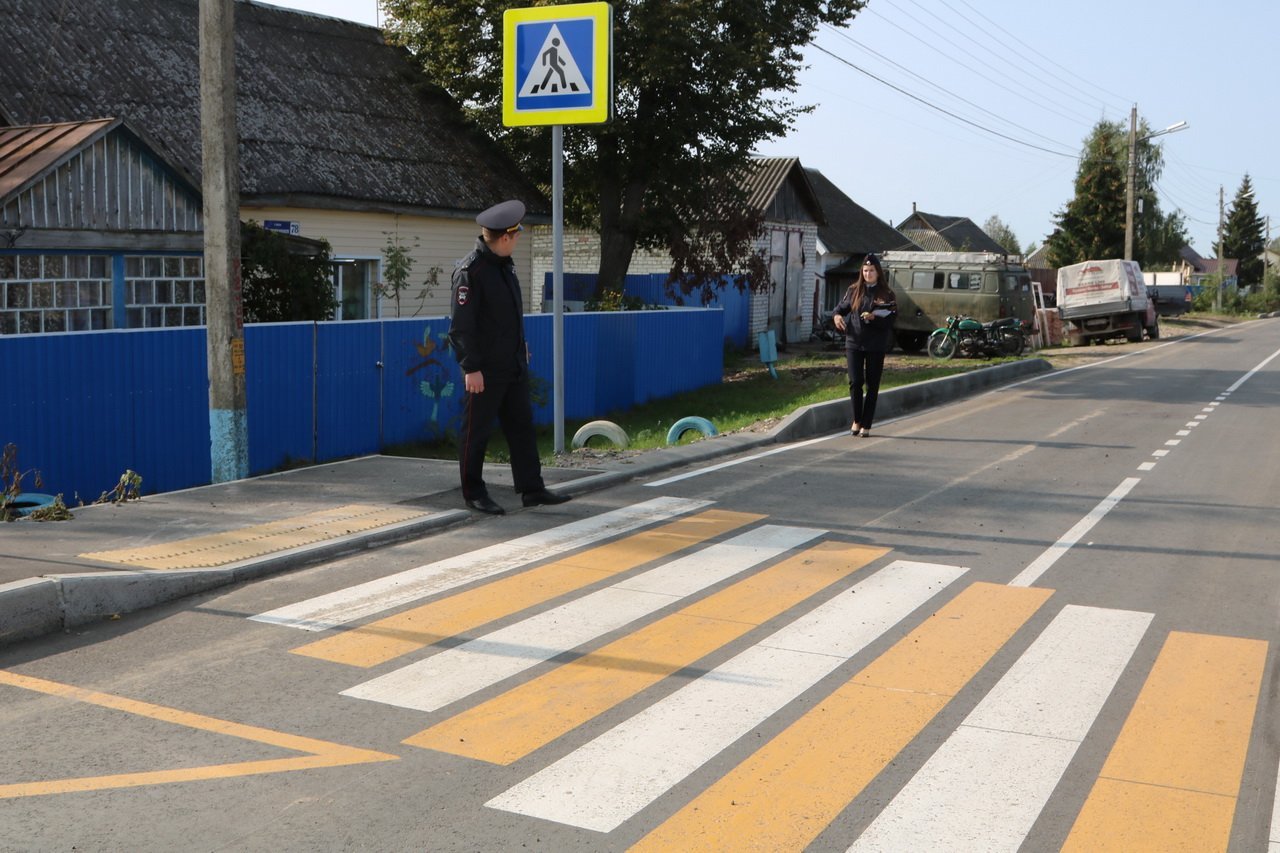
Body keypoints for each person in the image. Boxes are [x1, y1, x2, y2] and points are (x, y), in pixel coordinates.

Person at [448, 199, 570, 515]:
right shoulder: (470, 272)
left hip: (512, 364)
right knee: (476, 432)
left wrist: (520, 346)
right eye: (517, 235)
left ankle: (532, 489)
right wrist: (470, 367)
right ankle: (473, 492)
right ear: (506, 237)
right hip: (484, 370)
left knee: (521, 427)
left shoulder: (506, 265)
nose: (519, 240)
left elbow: (507, 315)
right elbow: (461, 327)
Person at [832, 253, 897, 437]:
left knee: (872, 384)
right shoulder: (854, 290)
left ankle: (866, 424)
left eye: (872, 271)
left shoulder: (887, 294)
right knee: (855, 382)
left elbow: (891, 319)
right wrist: (837, 316)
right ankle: (856, 420)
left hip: (876, 345)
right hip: (854, 342)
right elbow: (840, 308)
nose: (868, 274)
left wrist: (874, 317)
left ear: (878, 272)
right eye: (865, 270)